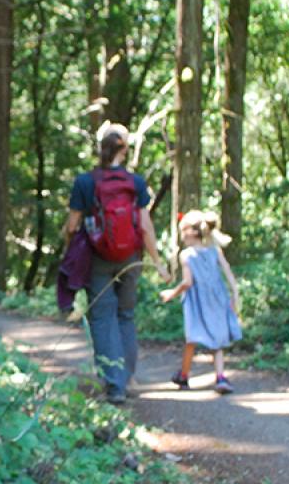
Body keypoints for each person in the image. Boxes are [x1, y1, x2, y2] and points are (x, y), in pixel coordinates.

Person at [62, 122, 166, 403]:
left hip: (98, 258)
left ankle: (114, 384)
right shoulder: (136, 183)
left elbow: (73, 225)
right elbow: (145, 226)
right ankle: (128, 378)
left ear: (101, 147)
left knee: (102, 316)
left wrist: (69, 252)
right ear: (125, 149)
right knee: (126, 315)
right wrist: (157, 262)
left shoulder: (85, 182)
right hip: (130, 259)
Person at [159, 209, 242, 393]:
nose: (182, 236)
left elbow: (188, 282)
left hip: (197, 301)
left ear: (192, 232)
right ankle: (220, 377)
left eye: (183, 231)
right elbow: (227, 271)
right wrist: (234, 293)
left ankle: (184, 375)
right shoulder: (214, 250)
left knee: (192, 338)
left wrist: (171, 294)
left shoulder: (187, 254)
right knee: (218, 339)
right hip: (217, 297)